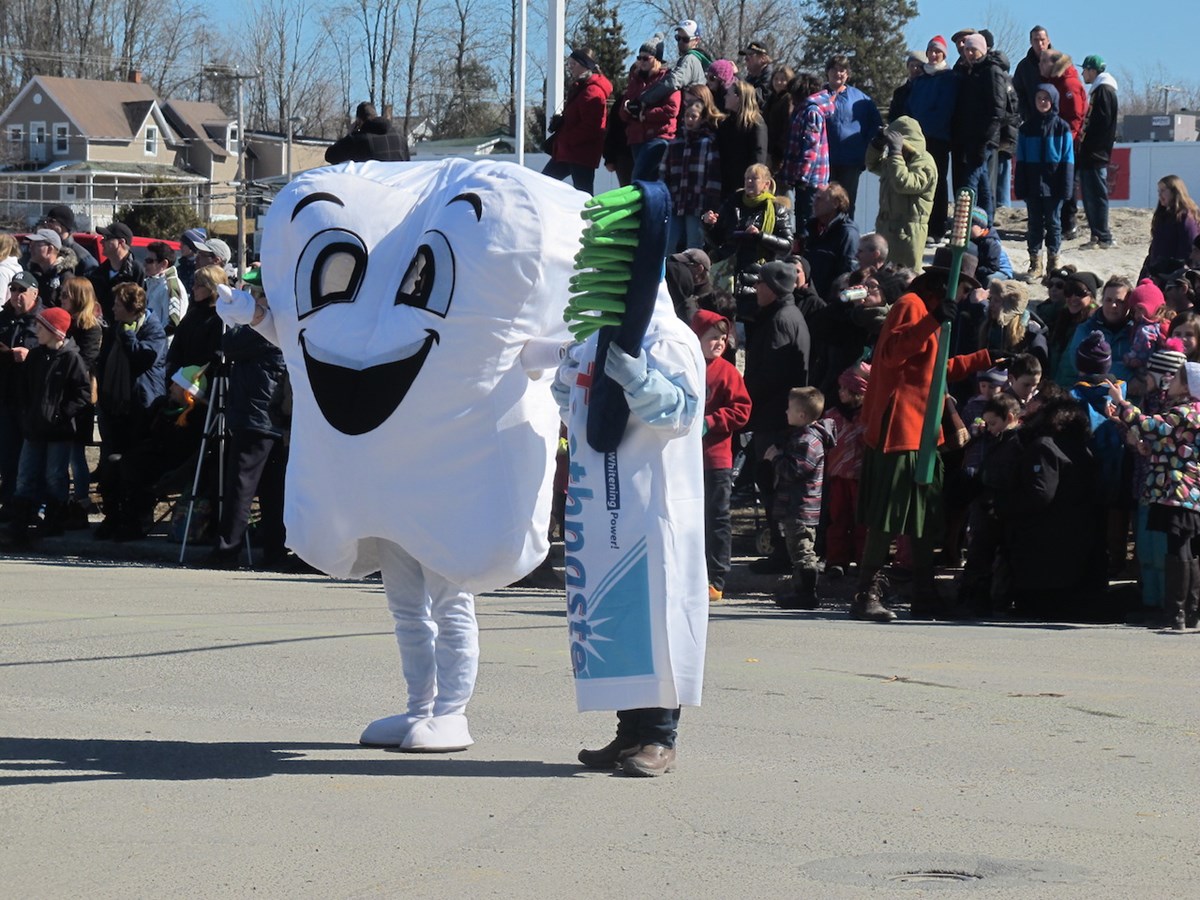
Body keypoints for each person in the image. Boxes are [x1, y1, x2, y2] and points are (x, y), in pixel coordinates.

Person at [854, 246, 995, 621]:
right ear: (946, 282)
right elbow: (891, 354)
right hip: (898, 428)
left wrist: (986, 358)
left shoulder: (932, 312)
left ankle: (923, 592)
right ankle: (865, 594)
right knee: (888, 514)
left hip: (922, 428)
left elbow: (936, 366)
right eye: (963, 286)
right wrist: (931, 319)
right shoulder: (911, 305)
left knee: (923, 515)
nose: (965, 294)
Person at [1108, 364, 1200, 629]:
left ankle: (1176, 612)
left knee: (1178, 547)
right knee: (1191, 549)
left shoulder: (1183, 413)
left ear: (1186, 387)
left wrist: (1121, 402)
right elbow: (1169, 444)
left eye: (1176, 378)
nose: (1168, 381)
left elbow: (1149, 424)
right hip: (1190, 491)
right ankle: (1191, 611)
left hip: (1176, 490)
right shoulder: (1192, 414)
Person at [743, 259, 813, 572]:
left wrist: (745, 398)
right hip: (776, 414)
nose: (756, 287)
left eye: (760, 283)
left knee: (774, 486)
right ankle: (781, 551)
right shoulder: (784, 314)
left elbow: (768, 375)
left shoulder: (780, 319)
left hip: (774, 418)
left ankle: (783, 554)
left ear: (772, 288)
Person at [201, 321, 289, 569]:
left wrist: (248, 315)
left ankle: (227, 550)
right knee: (274, 489)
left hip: (257, 415)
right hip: (277, 415)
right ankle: (275, 550)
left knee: (241, 486)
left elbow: (229, 343)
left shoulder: (268, 324)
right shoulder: (285, 323)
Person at [7, 306, 90, 544]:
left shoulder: (72, 358)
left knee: (55, 476)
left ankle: (52, 523)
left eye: (41, 327)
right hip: (33, 428)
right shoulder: (36, 355)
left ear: (56, 332)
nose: (36, 331)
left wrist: (60, 416)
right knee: (25, 476)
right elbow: (23, 388)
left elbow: (82, 394)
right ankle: (19, 525)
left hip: (58, 431)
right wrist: (26, 414)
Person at [94, 282, 167, 538]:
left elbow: (143, 358)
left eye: (117, 304)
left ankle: (135, 517)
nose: (112, 308)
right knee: (111, 464)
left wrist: (127, 336)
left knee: (134, 466)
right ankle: (113, 516)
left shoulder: (152, 330)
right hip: (116, 405)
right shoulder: (116, 328)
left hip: (142, 407)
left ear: (130, 307)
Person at [690, 310, 751, 601]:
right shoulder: (684, 367)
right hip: (684, 459)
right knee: (688, 518)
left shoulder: (726, 371)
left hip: (716, 458)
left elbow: (742, 410)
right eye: (712, 337)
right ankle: (689, 573)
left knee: (717, 518)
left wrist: (711, 422)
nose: (719, 343)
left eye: (723, 338)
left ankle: (716, 578)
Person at [766, 386, 834, 609]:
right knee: (798, 550)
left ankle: (806, 593)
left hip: (800, 507)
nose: (786, 412)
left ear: (802, 415)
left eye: (790, 409)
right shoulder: (801, 437)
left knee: (803, 551)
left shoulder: (807, 441)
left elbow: (794, 471)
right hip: (798, 506)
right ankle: (800, 589)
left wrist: (776, 458)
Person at [1014, 84, 1074, 280]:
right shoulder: (1026, 128)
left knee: (1054, 223)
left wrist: (1066, 187)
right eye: (1039, 98)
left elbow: (1068, 159)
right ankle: (1035, 262)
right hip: (1032, 183)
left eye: (1046, 98)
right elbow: (1020, 160)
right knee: (1034, 224)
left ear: (1053, 101)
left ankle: (1053, 262)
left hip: (1054, 184)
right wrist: (1020, 185)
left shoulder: (1062, 127)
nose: (1042, 102)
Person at [864, 116, 936, 270]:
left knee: (905, 276)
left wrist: (896, 154)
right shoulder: (898, 161)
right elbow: (872, 165)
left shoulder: (924, 162)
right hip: (887, 227)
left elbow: (903, 183)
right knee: (883, 276)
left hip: (909, 231)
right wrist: (877, 145)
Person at [702, 163, 793, 285]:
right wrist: (709, 225)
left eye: (754, 178)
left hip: (756, 277)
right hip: (726, 275)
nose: (749, 181)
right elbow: (716, 241)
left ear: (766, 184)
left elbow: (787, 246)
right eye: (746, 178)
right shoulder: (732, 202)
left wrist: (760, 236)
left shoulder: (777, 209)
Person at [58, 277, 102, 528]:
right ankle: (61, 502)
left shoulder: (91, 327)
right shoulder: (62, 323)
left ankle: (81, 500)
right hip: (58, 394)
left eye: (66, 295)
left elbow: (86, 362)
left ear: (78, 297)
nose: (61, 298)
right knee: (60, 454)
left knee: (76, 453)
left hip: (79, 396)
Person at [905, 37, 958, 242]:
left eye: (938, 52)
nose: (934, 55)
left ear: (944, 55)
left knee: (937, 181)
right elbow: (910, 107)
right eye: (931, 51)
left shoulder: (949, 78)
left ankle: (937, 226)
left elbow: (945, 109)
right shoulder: (920, 80)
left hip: (937, 137)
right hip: (917, 139)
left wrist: (925, 127)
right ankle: (918, 223)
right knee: (916, 179)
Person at [0, 269, 44, 518]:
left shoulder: (43, 319)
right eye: (13, 289)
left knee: (30, 456)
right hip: (6, 396)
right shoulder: (3, 318)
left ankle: (33, 505)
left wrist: (30, 356)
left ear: (34, 293)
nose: (16, 295)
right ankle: (9, 503)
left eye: (22, 290)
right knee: (7, 454)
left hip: (31, 399)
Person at [950, 33, 1008, 223]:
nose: (969, 53)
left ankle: (966, 226)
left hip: (984, 139)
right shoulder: (971, 72)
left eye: (972, 49)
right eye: (966, 49)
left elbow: (997, 109)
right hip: (971, 138)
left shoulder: (991, 71)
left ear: (982, 50)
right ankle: (987, 225)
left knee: (969, 186)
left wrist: (985, 139)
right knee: (983, 185)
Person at [542, 48, 613, 196]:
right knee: (544, 183)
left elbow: (592, 126)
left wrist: (567, 138)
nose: (570, 67)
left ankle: (587, 219)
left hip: (580, 153)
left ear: (585, 65)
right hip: (570, 151)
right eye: (569, 64)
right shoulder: (581, 87)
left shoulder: (592, 91)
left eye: (573, 64)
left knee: (583, 194)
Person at [823, 362, 870, 578]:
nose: (840, 392)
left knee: (863, 521)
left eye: (845, 389)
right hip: (838, 475)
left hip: (861, 477)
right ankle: (836, 560)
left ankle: (864, 560)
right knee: (838, 518)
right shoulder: (832, 416)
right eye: (840, 388)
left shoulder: (868, 415)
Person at [780, 73, 837, 243]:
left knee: (806, 221)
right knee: (802, 218)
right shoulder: (805, 110)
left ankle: (805, 254)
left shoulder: (811, 111)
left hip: (811, 180)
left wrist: (802, 176)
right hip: (806, 178)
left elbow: (810, 147)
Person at [662, 97, 723, 252]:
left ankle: (692, 275)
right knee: (669, 244)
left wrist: (710, 204)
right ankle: (668, 275)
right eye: (687, 115)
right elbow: (663, 173)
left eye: (694, 116)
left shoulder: (707, 142)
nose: (690, 119)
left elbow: (713, 176)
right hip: (676, 202)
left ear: (701, 119)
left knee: (694, 245)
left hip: (697, 204)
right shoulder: (675, 143)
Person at [823, 56, 881, 217]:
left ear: (848, 74)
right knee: (826, 203)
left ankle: (846, 238)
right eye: (834, 69)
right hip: (824, 161)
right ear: (827, 72)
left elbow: (875, 126)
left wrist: (865, 150)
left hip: (852, 161)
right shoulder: (818, 97)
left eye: (842, 70)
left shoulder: (861, 99)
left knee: (847, 203)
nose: (838, 73)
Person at [1038, 50, 1087, 240]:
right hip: (1055, 140)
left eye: (1043, 61)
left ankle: (1069, 223)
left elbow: (1076, 117)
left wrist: (1067, 139)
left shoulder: (1068, 84)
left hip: (1067, 142)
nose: (1040, 64)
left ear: (1054, 64)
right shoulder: (1053, 82)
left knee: (1067, 182)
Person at [619, 37, 679, 182]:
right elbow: (622, 110)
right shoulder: (635, 80)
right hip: (636, 138)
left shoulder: (667, 80)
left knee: (639, 179)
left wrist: (644, 114)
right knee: (644, 181)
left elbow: (672, 109)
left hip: (658, 138)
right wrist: (628, 110)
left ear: (658, 59)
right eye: (639, 58)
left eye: (646, 58)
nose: (642, 62)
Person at [1078, 55, 1119, 250]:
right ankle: (1097, 234)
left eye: (1085, 69)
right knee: (1089, 194)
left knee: (1096, 194)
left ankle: (1103, 235)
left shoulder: (1104, 91)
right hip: (1092, 153)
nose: (1082, 73)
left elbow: (1100, 125)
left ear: (1093, 71)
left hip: (1096, 153)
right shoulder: (1099, 90)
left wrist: (1091, 147)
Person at [1065, 276, 1136, 384]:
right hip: (1092, 391)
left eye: (1119, 301)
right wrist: (1128, 376)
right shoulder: (1086, 329)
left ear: (1129, 304)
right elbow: (1081, 364)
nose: (1113, 305)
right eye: (1108, 300)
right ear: (1102, 300)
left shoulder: (1138, 332)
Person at [635, 19, 712, 114]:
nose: (680, 42)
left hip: (691, 113)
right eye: (678, 38)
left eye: (685, 39)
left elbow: (673, 81)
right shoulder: (700, 60)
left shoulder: (690, 59)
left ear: (696, 40)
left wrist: (644, 99)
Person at [166, 264, 225, 382]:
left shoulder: (221, 318)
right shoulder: (192, 314)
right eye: (194, 284)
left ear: (211, 288)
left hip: (201, 383)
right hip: (179, 379)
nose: (193, 288)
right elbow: (176, 348)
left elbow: (213, 358)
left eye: (199, 286)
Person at [715, 80, 768, 201]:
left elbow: (758, 156)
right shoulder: (726, 124)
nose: (725, 97)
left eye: (728, 94)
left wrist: (752, 182)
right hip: (726, 183)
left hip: (745, 185)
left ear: (738, 97)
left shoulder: (756, 124)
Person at [805, 181, 859, 300]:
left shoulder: (847, 232)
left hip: (829, 301)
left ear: (835, 203)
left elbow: (848, 272)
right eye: (815, 198)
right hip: (810, 298)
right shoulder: (812, 229)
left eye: (819, 199)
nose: (814, 203)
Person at [1142, 176, 1200, 281]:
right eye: (1159, 191)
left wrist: (1177, 270)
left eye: (1163, 190)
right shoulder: (1163, 215)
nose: (1159, 194)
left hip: (1173, 273)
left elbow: (1189, 247)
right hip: (1157, 270)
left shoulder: (1185, 216)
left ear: (1175, 192)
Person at [979, 278, 1048, 367]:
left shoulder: (1032, 337)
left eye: (997, 301)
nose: (991, 304)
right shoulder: (988, 324)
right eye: (991, 299)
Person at [87, 222, 144, 323]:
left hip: (126, 333)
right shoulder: (98, 273)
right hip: (102, 331)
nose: (102, 242)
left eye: (107, 238)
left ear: (121, 242)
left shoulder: (136, 271)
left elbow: (140, 308)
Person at [324, 101, 410, 164]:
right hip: (396, 186)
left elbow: (330, 156)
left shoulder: (357, 140)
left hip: (370, 186)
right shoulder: (401, 138)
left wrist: (349, 134)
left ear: (358, 121)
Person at [143, 241, 188, 339]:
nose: (144, 264)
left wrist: (153, 341)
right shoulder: (153, 283)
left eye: (149, 261)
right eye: (145, 260)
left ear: (164, 263)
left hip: (163, 349)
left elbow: (174, 323)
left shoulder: (169, 286)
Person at [38, 205, 97, 275]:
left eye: (51, 221)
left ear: (64, 224)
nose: (47, 224)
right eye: (46, 221)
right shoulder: (43, 250)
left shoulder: (81, 256)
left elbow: (91, 282)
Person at [26, 228, 78, 307]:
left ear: (50, 249)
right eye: (31, 244)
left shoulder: (66, 278)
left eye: (37, 245)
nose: (31, 248)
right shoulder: (33, 275)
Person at [970, 207, 1013, 281]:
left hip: (1001, 271)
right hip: (984, 268)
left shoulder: (991, 243)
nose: (968, 228)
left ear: (982, 228)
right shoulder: (973, 239)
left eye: (972, 225)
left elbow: (992, 267)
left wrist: (975, 270)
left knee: (987, 280)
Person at [738, 40, 773, 108]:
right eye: (746, 56)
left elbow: (758, 98)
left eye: (750, 55)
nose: (746, 59)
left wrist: (737, 77)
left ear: (763, 58)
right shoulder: (751, 77)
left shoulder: (771, 78)